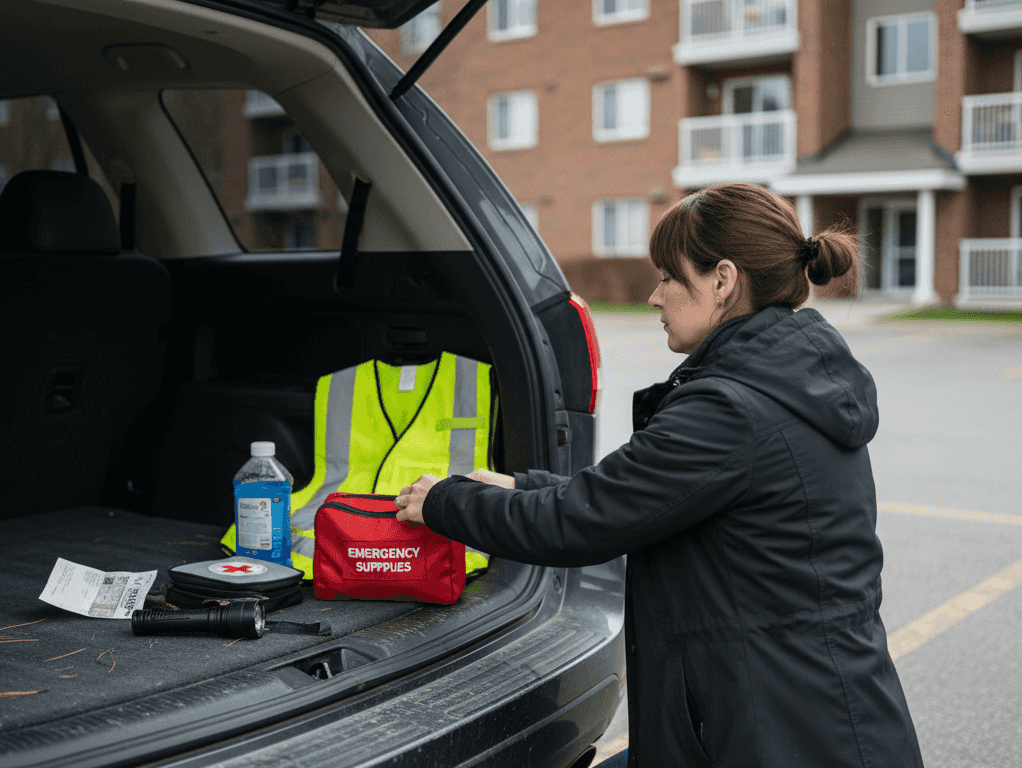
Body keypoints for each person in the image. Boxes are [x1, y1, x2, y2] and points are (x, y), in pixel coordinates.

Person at [394, 183, 924, 767]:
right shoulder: (787, 377)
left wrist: (443, 503)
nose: (654, 296)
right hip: (812, 718)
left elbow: (583, 521)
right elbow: (642, 493)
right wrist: (521, 487)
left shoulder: (732, 409)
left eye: (669, 277)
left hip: (781, 738)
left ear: (722, 281)